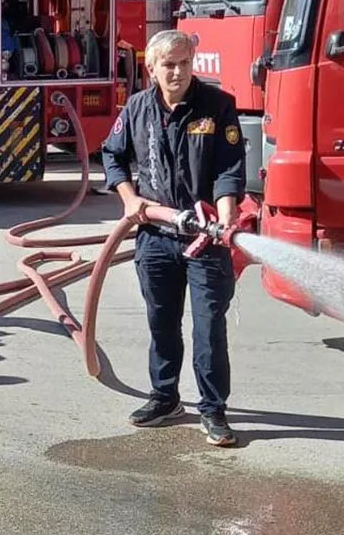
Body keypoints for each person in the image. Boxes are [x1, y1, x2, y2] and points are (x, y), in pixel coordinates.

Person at [100, 29, 246, 448]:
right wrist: (129, 199)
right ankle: (165, 398)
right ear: (151, 68)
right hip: (155, 237)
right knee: (162, 322)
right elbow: (112, 155)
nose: (178, 71)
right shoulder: (137, 108)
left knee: (208, 328)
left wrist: (224, 221)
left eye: (184, 63)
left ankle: (213, 409)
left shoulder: (217, 107)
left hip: (205, 241)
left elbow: (228, 169)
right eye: (169, 64)